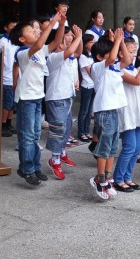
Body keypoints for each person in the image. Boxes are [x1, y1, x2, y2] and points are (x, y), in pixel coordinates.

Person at [10, 12, 66, 185]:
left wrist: (61, 24)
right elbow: (41, 42)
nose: (36, 32)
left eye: (36, 30)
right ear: (21, 39)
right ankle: (26, 169)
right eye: (31, 30)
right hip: (26, 98)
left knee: (35, 135)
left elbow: (56, 42)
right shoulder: (22, 53)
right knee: (27, 136)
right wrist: (51, 23)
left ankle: (35, 167)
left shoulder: (40, 50)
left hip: (36, 97)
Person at [89, 29, 128, 200]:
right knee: (104, 148)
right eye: (110, 51)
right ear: (99, 56)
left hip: (113, 111)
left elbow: (126, 59)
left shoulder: (114, 69)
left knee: (113, 147)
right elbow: (112, 58)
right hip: (103, 112)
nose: (115, 56)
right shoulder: (97, 67)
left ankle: (108, 176)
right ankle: (100, 178)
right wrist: (117, 41)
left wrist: (121, 42)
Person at [45, 25, 83, 180]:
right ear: (56, 44)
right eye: (65, 38)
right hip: (56, 98)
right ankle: (54, 160)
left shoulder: (68, 57)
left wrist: (77, 38)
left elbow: (78, 52)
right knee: (58, 130)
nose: (68, 41)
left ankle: (61, 153)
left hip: (66, 97)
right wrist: (79, 38)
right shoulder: (54, 57)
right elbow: (69, 51)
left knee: (66, 129)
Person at [113, 41, 140, 192]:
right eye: (130, 51)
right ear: (121, 53)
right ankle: (118, 179)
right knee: (129, 147)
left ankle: (128, 177)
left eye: (135, 52)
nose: (133, 54)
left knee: (138, 147)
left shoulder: (136, 69)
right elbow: (136, 82)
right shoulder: (120, 70)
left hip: (138, 113)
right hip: (128, 113)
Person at [0, 17, 19, 137]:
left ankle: (9, 124)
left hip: (15, 78)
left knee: (12, 104)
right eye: (12, 25)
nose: (15, 28)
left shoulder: (17, 41)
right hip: (6, 77)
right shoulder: (2, 41)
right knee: (6, 104)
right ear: (6, 27)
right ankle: (3, 125)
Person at [77, 33, 96, 142]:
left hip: (93, 85)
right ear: (85, 44)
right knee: (84, 109)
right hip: (87, 85)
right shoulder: (83, 57)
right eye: (91, 42)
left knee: (89, 110)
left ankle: (86, 131)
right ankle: (81, 132)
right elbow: (90, 72)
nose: (93, 44)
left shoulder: (92, 55)